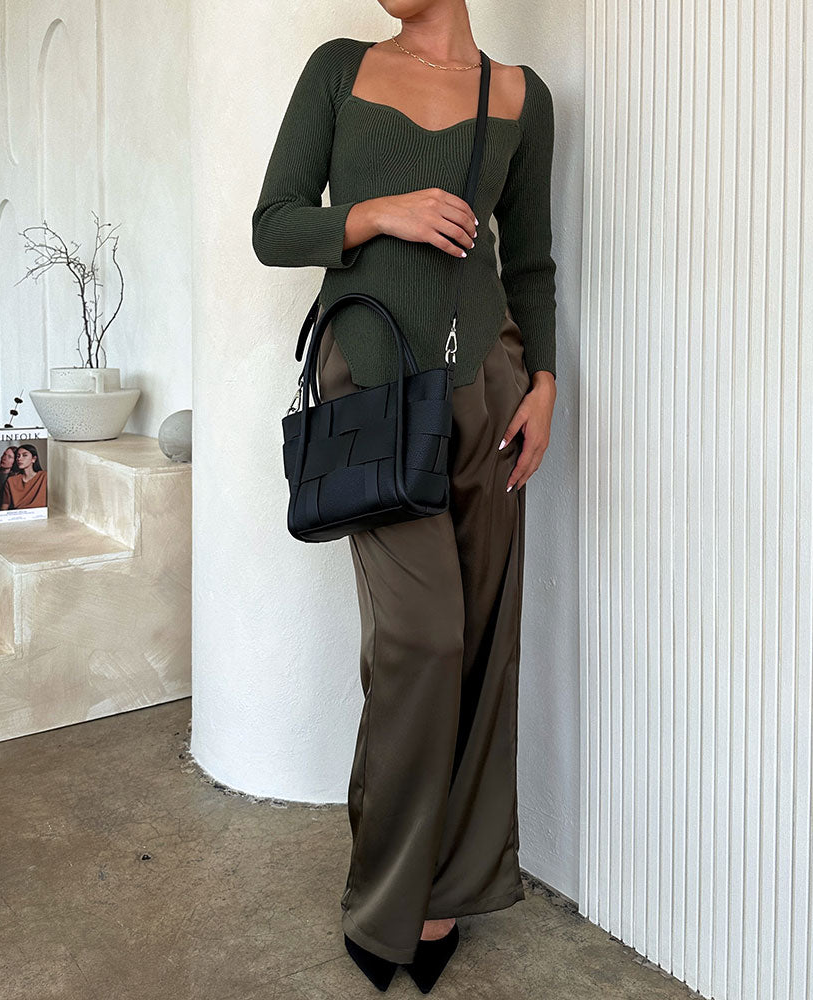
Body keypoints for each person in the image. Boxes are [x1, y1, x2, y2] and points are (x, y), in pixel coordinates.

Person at [252, 3, 558, 992]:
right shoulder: (340, 69)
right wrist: (377, 213)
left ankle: (446, 889)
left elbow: (534, 260)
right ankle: (384, 895)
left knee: (477, 646)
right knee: (418, 642)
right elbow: (272, 224)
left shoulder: (518, 95)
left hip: (489, 396)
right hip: (375, 397)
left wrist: (545, 384)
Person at [0, 443, 47, 510]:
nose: (19, 458)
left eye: (24, 455)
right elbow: (5, 504)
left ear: (33, 459)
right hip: (18, 515)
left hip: (40, 515)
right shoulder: (11, 481)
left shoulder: (44, 476)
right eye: (18, 456)